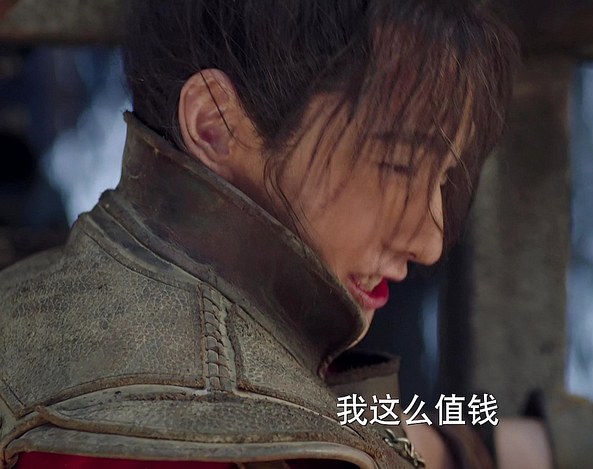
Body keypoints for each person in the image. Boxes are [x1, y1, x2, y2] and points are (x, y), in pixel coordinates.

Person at [0, 1, 518, 468]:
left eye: (443, 178)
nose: (428, 241)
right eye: (399, 166)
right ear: (215, 126)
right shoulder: (152, 443)